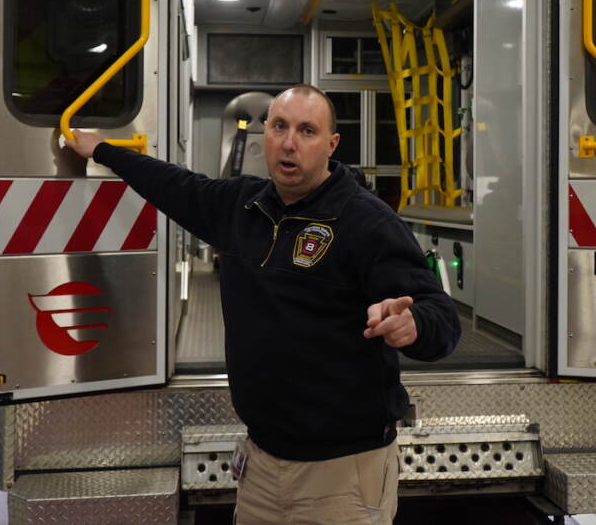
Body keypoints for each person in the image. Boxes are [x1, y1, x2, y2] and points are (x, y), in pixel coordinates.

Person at [66, 84, 461, 524]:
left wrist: (413, 325)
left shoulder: (366, 222)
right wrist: (103, 150)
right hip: (261, 464)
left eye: (307, 131)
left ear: (331, 145)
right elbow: (172, 185)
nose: (289, 143)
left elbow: (441, 317)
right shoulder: (241, 206)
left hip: (344, 472)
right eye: (279, 127)